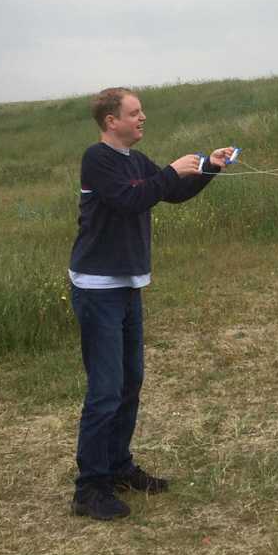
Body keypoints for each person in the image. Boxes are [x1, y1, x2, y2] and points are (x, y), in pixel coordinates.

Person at [68, 86, 235, 521]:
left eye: (142, 112)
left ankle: (119, 467)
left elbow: (170, 193)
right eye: (135, 112)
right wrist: (172, 170)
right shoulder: (98, 159)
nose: (143, 118)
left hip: (126, 286)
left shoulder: (134, 161)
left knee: (129, 382)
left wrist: (209, 169)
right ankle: (90, 489)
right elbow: (130, 198)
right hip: (97, 288)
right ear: (111, 121)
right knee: (105, 391)